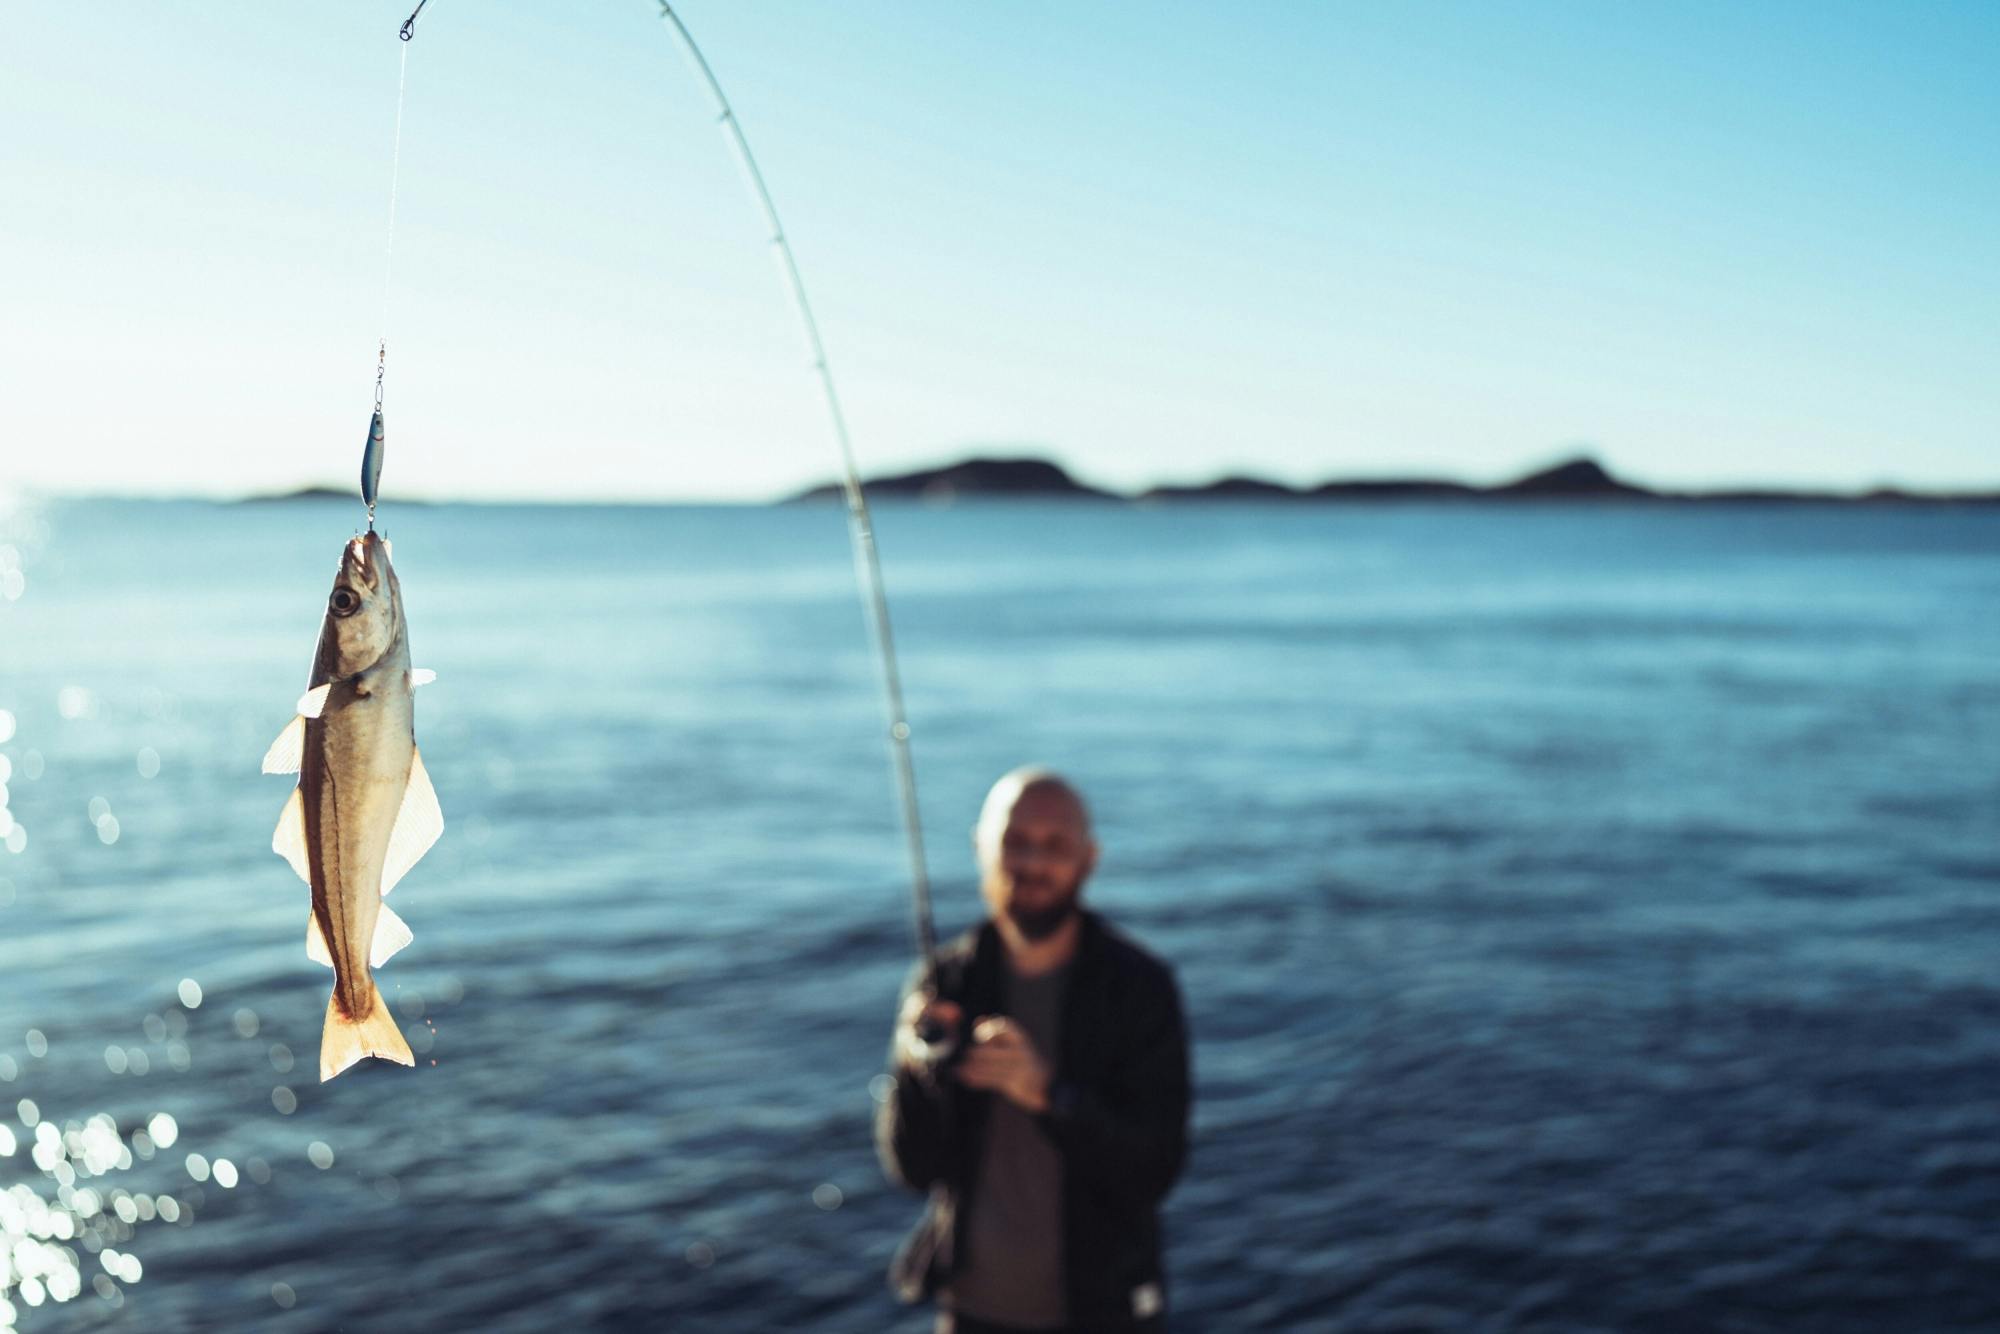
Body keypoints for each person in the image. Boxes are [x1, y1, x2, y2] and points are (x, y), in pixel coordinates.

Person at [876, 767, 1192, 1333]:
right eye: (1014, 842)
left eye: (1055, 845)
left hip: (1104, 1312)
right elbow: (913, 1169)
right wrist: (914, 1070)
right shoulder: (945, 982)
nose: (1032, 863)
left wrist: (1045, 1093)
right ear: (981, 847)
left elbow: (1155, 1171)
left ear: (1089, 857)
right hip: (970, 1310)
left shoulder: (1140, 987)